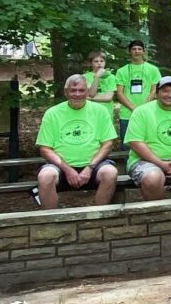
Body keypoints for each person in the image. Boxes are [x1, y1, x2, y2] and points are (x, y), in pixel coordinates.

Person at [35, 74, 119, 208]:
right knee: (45, 176)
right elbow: (45, 148)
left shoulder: (100, 111)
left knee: (110, 173)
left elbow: (107, 144)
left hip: (94, 165)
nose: (77, 94)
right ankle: (52, 221)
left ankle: (98, 216)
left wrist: (89, 168)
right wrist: (67, 169)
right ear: (65, 92)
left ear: (87, 91)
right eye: (73, 91)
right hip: (60, 167)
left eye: (81, 90)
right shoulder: (52, 113)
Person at [114, 39, 162, 143]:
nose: (137, 51)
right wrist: (134, 108)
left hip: (149, 111)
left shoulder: (153, 69)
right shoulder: (121, 71)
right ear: (129, 52)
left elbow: (154, 90)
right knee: (127, 144)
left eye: (139, 49)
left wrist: (143, 107)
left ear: (144, 51)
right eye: (134, 49)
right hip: (127, 114)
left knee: (149, 142)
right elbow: (119, 93)